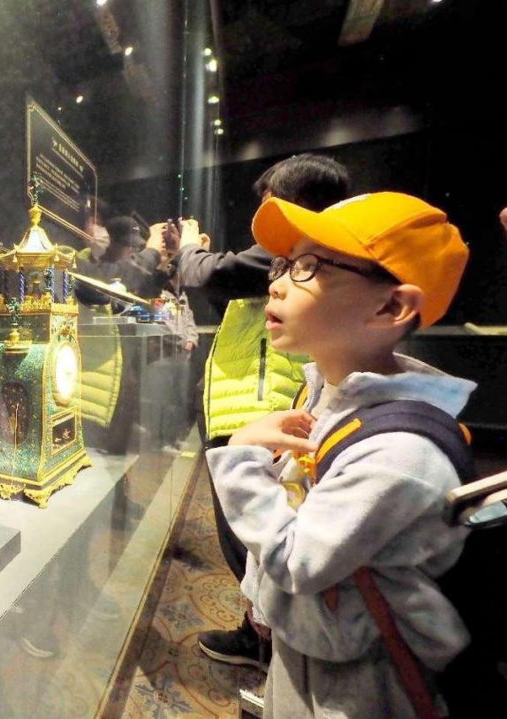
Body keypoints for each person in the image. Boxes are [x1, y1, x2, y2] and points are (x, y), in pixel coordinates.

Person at [208, 192, 471, 717]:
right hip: (310, 648)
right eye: (284, 264)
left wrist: (241, 458)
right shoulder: (324, 394)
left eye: (309, 267)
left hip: (365, 685)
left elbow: (297, 560)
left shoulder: (400, 454)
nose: (276, 282)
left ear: (390, 307)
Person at [156, 154, 351, 670]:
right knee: (254, 536)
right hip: (259, 404)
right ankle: (262, 634)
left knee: (256, 537)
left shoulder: (300, 243)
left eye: (267, 210)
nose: (282, 280)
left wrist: (193, 248)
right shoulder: (299, 252)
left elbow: (209, 273)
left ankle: (274, 647)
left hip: (262, 409)